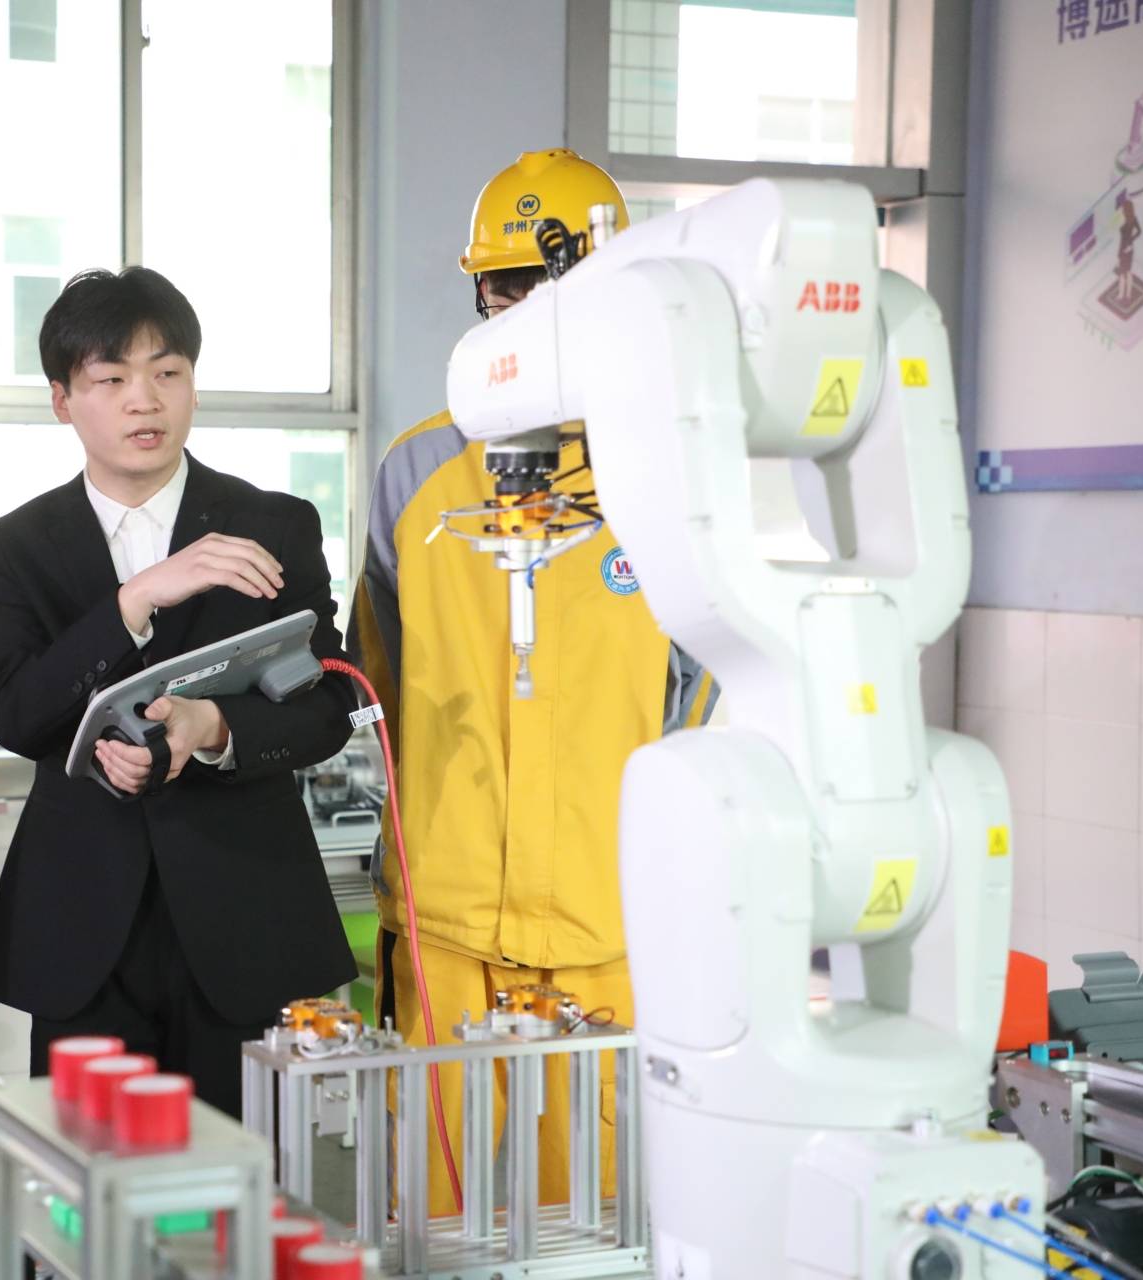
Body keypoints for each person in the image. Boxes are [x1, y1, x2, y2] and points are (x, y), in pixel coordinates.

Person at [349, 148, 718, 1213]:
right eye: (504, 287)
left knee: (594, 1218)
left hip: (607, 918)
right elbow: (380, 675)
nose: (525, 313)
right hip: (447, 913)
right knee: (432, 1211)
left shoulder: (667, 471)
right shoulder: (416, 472)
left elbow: (697, 698)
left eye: (551, 288)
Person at [0, 266, 356, 1118]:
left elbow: (330, 703)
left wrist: (215, 726)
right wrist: (135, 600)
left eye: (167, 372)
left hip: (246, 907)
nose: (145, 400)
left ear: (192, 384)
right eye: (111, 379)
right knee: (86, 1173)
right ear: (63, 400)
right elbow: (16, 713)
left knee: (239, 1175)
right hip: (82, 923)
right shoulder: (16, 545)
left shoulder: (276, 524)